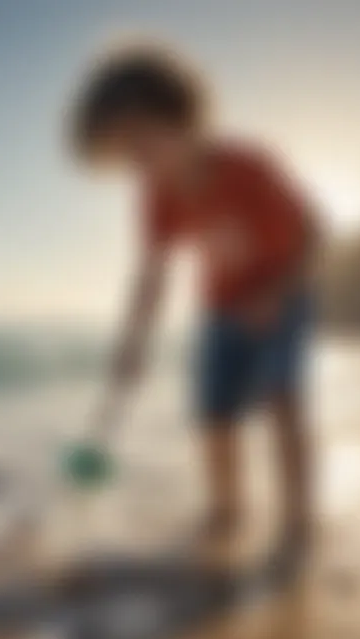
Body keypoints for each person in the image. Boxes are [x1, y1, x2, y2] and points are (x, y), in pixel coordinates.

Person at [69, 44, 320, 568]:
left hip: (286, 292)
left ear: (182, 118)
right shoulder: (157, 195)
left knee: (283, 396)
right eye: (124, 158)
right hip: (220, 305)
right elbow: (152, 277)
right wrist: (132, 346)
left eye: (141, 145)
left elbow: (313, 235)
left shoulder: (250, 167)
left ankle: (299, 516)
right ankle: (228, 508)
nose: (138, 167)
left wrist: (274, 293)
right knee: (212, 413)